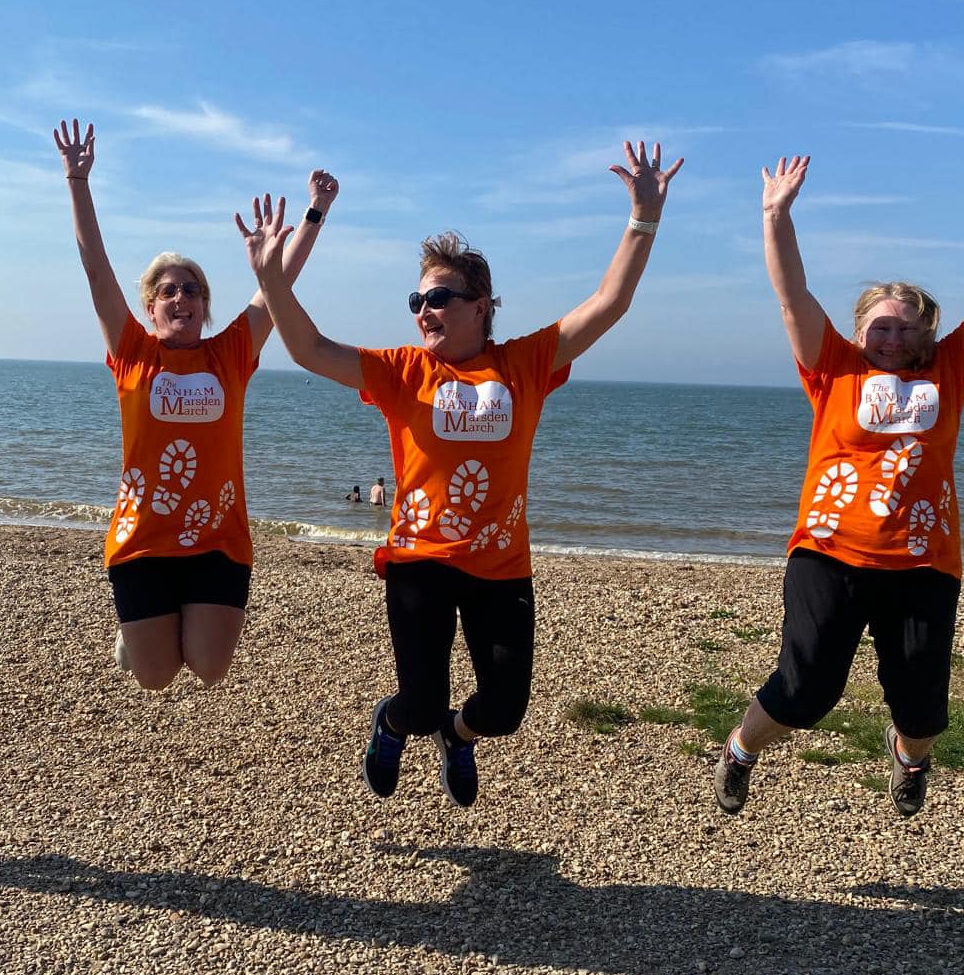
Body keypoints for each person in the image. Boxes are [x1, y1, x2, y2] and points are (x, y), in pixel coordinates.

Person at [240, 140, 682, 807]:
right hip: (420, 558)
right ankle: (391, 724)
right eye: (416, 299)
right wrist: (272, 278)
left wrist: (643, 218)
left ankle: (458, 735)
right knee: (416, 704)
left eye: (440, 296)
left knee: (503, 710)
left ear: (482, 305)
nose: (424, 310)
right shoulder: (401, 370)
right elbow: (307, 347)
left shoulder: (525, 364)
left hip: (502, 567)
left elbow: (609, 303)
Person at [715, 147, 964, 818]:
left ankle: (909, 757)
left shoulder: (954, 368)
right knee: (806, 691)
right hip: (828, 550)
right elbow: (791, 290)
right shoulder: (833, 367)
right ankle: (741, 750)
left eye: (906, 326)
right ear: (857, 331)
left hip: (924, 561)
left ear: (928, 331)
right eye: (880, 324)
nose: (892, 335)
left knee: (923, 708)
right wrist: (775, 215)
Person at [53, 119, 338, 689]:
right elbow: (95, 268)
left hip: (218, 538)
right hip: (143, 538)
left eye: (192, 289)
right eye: (168, 290)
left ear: (205, 306)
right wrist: (77, 181)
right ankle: (138, 641)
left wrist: (315, 212)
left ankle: (162, 627)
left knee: (209, 669)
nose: (180, 296)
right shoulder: (131, 350)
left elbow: (277, 283)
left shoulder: (230, 352)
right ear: (151, 308)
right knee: (156, 678)